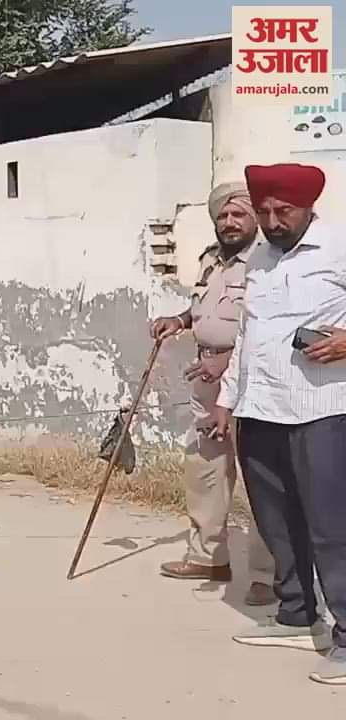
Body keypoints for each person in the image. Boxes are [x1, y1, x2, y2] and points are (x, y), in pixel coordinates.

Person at [212, 163, 346, 686]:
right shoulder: (261, 258)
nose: (271, 220)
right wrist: (227, 399)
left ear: (308, 206)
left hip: (322, 407)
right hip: (261, 407)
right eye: (264, 211)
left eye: (282, 211)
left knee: (332, 526)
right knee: (276, 521)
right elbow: (248, 334)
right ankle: (297, 614)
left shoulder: (338, 244)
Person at [149, 182, 275, 605]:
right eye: (223, 215)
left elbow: (269, 326)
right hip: (206, 375)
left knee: (260, 474)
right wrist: (180, 320)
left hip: (251, 377)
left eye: (238, 214)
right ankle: (208, 556)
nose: (230, 222)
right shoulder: (211, 260)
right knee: (205, 467)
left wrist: (228, 362)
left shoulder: (266, 261)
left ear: (254, 218)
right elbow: (204, 308)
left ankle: (267, 574)